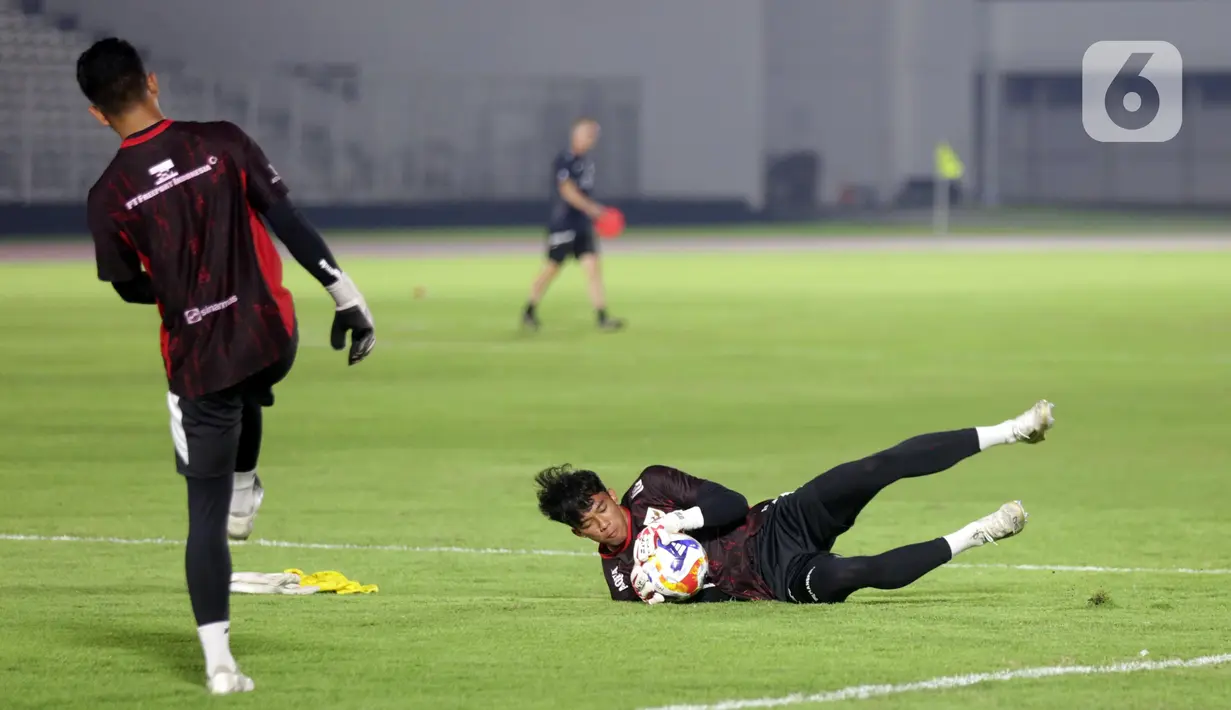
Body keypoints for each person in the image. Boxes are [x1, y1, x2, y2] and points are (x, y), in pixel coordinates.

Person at [77, 38, 376, 695]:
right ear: (151, 83)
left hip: (199, 361)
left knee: (203, 517)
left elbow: (128, 286)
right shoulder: (221, 141)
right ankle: (246, 483)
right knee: (252, 384)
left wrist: (179, 285)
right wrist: (348, 300)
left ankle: (219, 665)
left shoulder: (108, 196)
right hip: (273, 339)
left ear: (97, 114)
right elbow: (288, 221)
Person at [534, 401, 1055, 605]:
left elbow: (731, 503)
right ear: (579, 535)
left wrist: (678, 523)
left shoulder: (652, 487)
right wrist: (677, 593)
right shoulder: (622, 578)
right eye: (589, 524)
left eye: (600, 506)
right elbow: (714, 601)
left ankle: (1013, 430)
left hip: (776, 521)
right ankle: (978, 534)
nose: (602, 522)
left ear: (607, 494)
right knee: (853, 573)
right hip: (774, 578)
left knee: (872, 469)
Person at [521, 117, 624, 332]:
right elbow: (567, 191)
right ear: (576, 135)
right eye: (588, 134)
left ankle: (602, 316)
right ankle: (529, 310)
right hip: (564, 225)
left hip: (582, 225)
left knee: (593, 268)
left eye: (593, 136)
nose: (591, 139)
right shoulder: (564, 160)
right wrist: (594, 209)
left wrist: (591, 214)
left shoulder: (587, 163)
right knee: (551, 269)